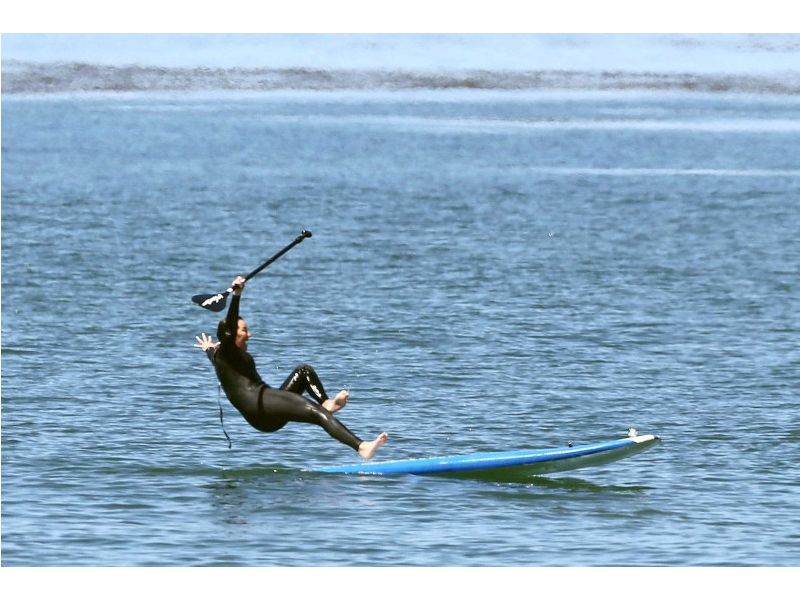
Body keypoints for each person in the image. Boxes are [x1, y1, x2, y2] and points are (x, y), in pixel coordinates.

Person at [194, 276, 388, 459]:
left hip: (266, 408)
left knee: (303, 371)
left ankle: (326, 403)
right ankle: (362, 447)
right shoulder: (228, 352)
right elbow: (228, 331)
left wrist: (208, 349)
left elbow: (215, 353)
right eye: (244, 330)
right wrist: (237, 296)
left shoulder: (222, 356)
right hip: (259, 407)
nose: (250, 334)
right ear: (231, 335)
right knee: (315, 414)